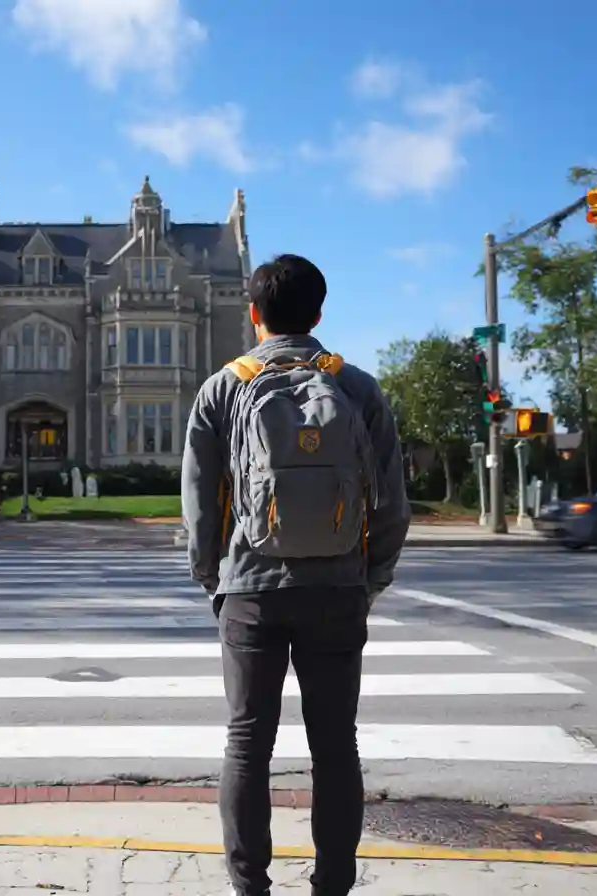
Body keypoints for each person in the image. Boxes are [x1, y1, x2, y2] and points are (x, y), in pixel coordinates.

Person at [180, 253, 411, 896]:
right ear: (319, 313)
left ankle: (249, 886)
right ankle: (332, 884)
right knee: (335, 744)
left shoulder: (224, 388)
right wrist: (370, 579)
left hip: (250, 589)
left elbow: (201, 505)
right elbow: (390, 502)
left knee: (248, 741)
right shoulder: (358, 388)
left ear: (254, 315)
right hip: (337, 588)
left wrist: (213, 578)